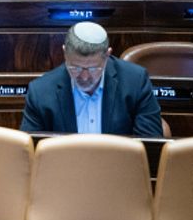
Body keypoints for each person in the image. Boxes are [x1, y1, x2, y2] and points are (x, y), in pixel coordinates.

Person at [20, 21, 162, 136]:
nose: (85, 77)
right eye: (75, 68)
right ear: (64, 53)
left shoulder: (135, 81)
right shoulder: (40, 92)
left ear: (107, 55)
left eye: (94, 68)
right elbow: (31, 154)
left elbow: (149, 144)